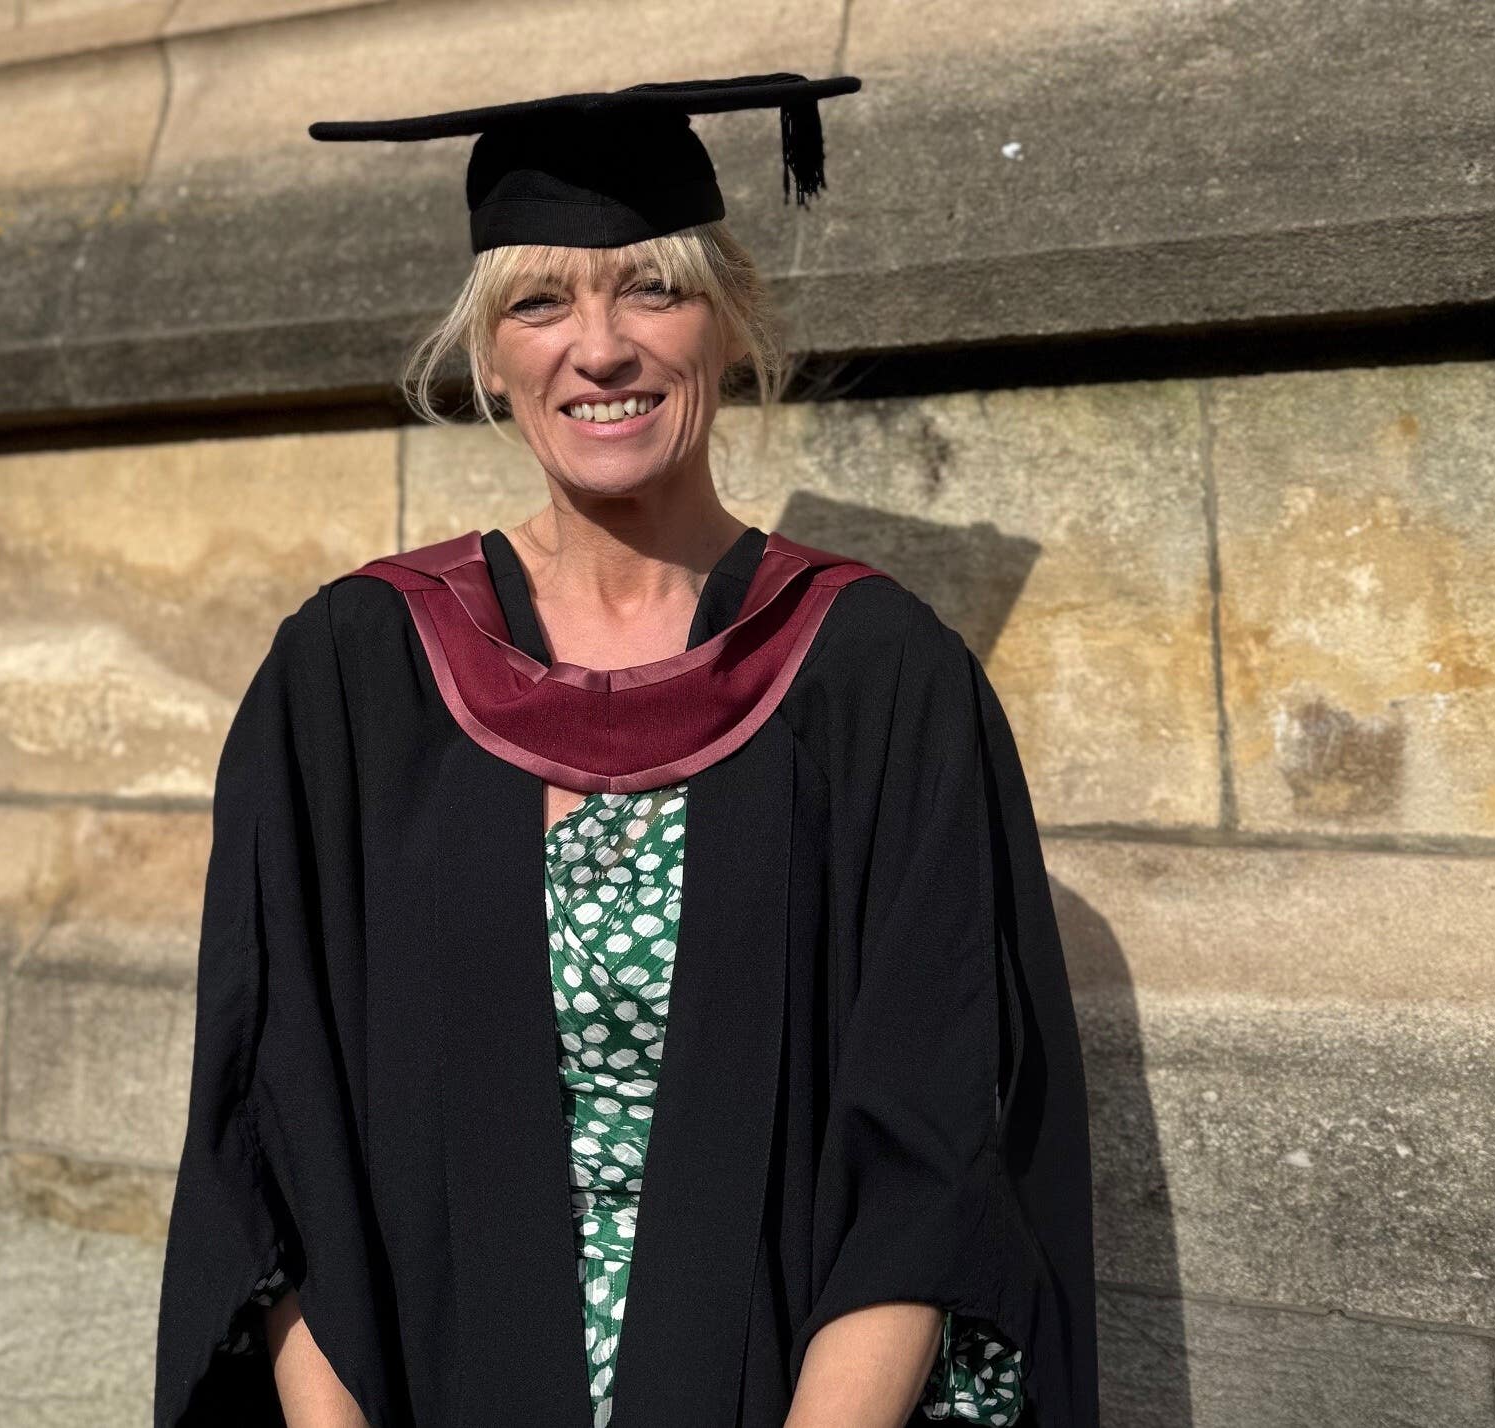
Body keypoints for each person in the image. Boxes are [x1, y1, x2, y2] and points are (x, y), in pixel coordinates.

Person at [152, 72, 1097, 1428]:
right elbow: (268, 1123)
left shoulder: (877, 680)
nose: (598, 348)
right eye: (540, 302)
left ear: (727, 325)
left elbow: (933, 1147)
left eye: (650, 290)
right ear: (488, 354)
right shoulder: (353, 674)